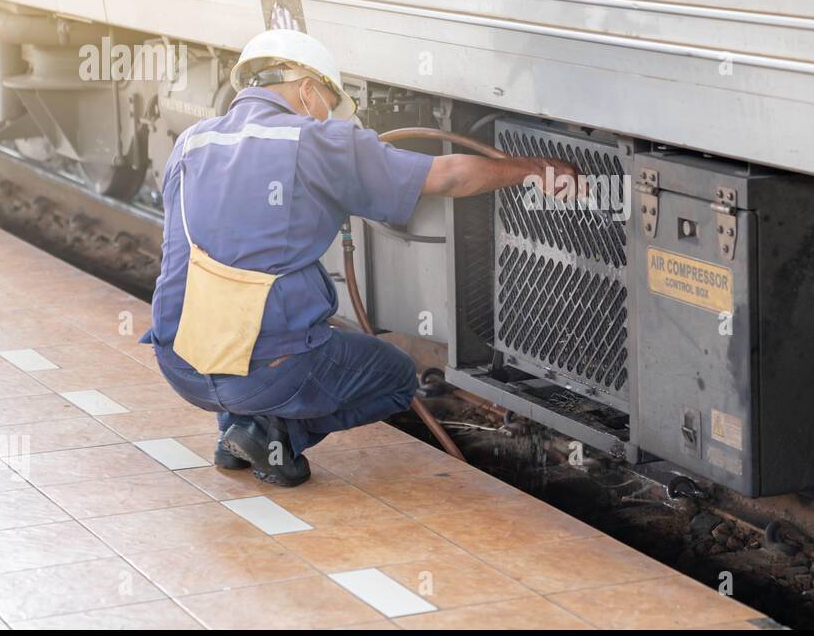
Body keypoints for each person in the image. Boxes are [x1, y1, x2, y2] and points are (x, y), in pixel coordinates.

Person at [141, 28, 577, 486]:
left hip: (180, 363)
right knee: (395, 377)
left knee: (241, 313)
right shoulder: (314, 140)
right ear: (307, 90)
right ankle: (267, 434)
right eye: (330, 104)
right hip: (265, 373)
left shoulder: (191, 141)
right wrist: (531, 169)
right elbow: (447, 176)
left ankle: (236, 433)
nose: (331, 117)